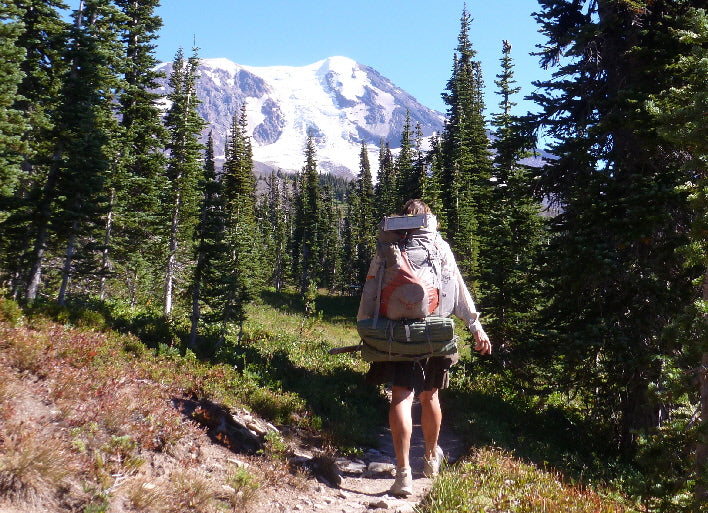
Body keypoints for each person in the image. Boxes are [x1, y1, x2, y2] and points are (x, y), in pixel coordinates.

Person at [357, 199, 491, 497]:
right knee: (430, 397)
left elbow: (371, 288)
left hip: (397, 333)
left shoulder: (389, 246)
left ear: (403, 219)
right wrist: (475, 327)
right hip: (435, 333)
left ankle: (403, 472)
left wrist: (365, 326)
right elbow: (457, 288)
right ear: (429, 219)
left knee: (401, 398)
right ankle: (431, 459)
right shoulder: (438, 246)